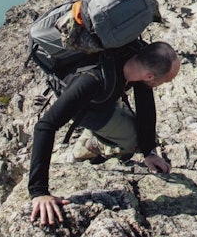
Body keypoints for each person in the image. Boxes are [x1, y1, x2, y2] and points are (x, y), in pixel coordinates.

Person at [29, 41, 181, 226]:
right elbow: (45, 126)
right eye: (166, 80)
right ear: (150, 76)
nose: (166, 83)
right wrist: (39, 192)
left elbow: (145, 104)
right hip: (87, 109)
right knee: (133, 142)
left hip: (106, 96)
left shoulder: (136, 53)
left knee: (143, 139)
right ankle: (93, 143)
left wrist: (149, 151)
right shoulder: (92, 80)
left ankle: (105, 136)